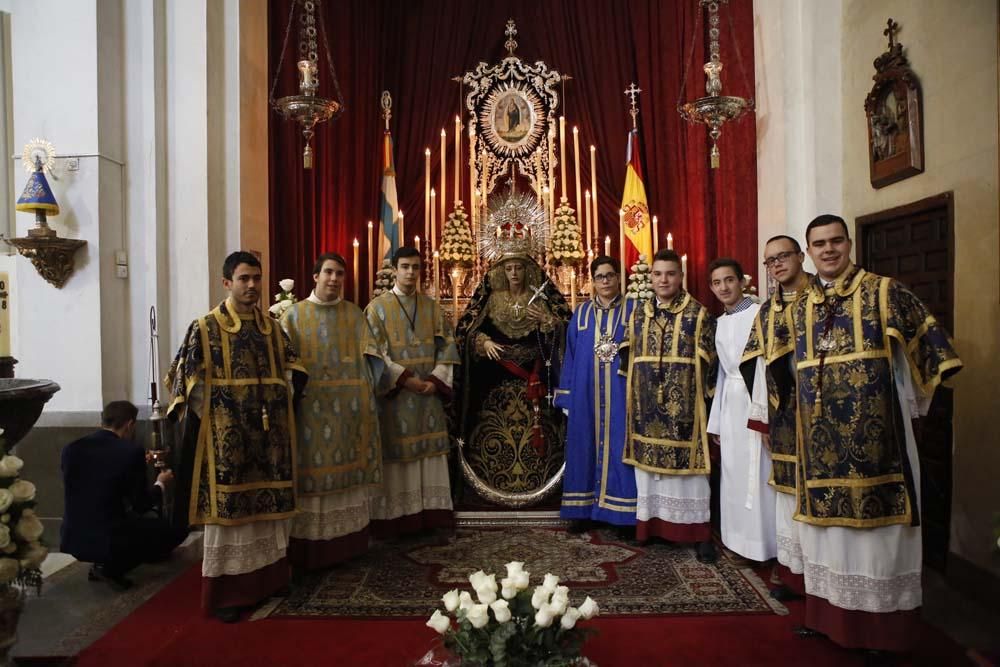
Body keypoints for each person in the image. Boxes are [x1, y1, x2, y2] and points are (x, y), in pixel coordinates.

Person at [788, 215, 962, 655]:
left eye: (835, 242)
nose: (828, 250)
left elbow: (932, 352)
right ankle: (826, 615)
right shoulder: (800, 307)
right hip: (819, 447)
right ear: (808, 252)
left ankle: (884, 633)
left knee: (878, 538)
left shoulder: (885, 292)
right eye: (819, 244)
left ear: (849, 244)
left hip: (878, 444)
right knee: (826, 536)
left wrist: (908, 406)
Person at [167, 251, 307, 622]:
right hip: (227, 441)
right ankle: (228, 594)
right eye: (244, 279)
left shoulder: (273, 328)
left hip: (270, 437)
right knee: (232, 517)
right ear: (226, 282)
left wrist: (279, 402)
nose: (252, 286)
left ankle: (270, 581)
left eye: (256, 278)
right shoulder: (205, 327)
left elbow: (294, 371)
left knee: (268, 514)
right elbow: (187, 382)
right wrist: (223, 419)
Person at [280, 253, 382, 570]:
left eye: (339, 273)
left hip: (349, 417)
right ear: (315, 276)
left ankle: (347, 546)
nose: (334, 279)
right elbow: (285, 367)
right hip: (310, 414)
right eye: (328, 272)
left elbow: (374, 360)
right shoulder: (293, 317)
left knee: (348, 479)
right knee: (312, 482)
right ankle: (309, 550)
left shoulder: (354, 315)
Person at [620, 249, 718, 563]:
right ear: (651, 278)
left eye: (671, 274)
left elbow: (712, 364)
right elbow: (625, 355)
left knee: (689, 475)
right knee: (649, 474)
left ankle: (698, 534)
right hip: (645, 408)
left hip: (685, 410)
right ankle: (651, 529)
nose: (664, 280)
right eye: (658, 274)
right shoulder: (638, 313)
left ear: (681, 276)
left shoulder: (699, 313)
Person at [454, 252, 570, 500]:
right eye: (509, 269)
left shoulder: (539, 297)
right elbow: (468, 329)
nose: (514, 273)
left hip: (535, 374)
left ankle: (541, 480)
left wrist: (549, 321)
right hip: (497, 375)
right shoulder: (493, 299)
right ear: (501, 272)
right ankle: (493, 480)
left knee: (539, 427)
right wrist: (482, 342)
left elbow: (564, 329)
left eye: (519, 267)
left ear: (527, 270)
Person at [364, 247, 459, 537]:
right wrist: (405, 379)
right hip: (398, 397)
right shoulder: (376, 308)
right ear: (394, 269)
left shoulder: (431, 307)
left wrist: (435, 379)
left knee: (428, 455)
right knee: (399, 458)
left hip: (428, 397)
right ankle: (397, 521)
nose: (410, 273)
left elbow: (448, 346)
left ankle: (429, 517)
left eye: (416, 267)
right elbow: (374, 352)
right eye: (405, 266)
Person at [741, 235, 812, 600]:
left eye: (783, 256)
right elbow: (759, 369)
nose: (777, 264)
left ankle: (819, 577)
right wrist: (761, 419)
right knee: (787, 495)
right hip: (784, 416)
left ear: (802, 256)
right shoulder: (767, 312)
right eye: (770, 261)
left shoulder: (825, 300)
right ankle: (792, 570)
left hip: (822, 414)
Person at [60, 401, 186, 591]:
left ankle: (102, 563)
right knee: (174, 530)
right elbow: (141, 505)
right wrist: (160, 483)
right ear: (130, 425)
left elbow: (95, 483)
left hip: (72, 537)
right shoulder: (130, 452)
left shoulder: (71, 448)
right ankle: (111, 567)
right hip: (111, 539)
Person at [555, 256, 636, 529]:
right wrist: (567, 396)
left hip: (621, 396)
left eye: (610, 275)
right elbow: (571, 355)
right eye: (600, 276)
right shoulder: (581, 314)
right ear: (592, 281)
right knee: (583, 448)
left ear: (618, 278)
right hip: (586, 397)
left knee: (620, 450)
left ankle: (622, 514)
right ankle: (582, 512)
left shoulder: (634, 310)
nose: (605, 281)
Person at [706, 258, 777, 563]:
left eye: (729, 280)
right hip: (731, 404)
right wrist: (717, 422)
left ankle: (764, 546)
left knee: (759, 473)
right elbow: (722, 374)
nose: (724, 287)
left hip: (756, 400)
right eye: (717, 282)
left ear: (742, 281)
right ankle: (736, 542)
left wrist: (766, 414)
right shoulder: (719, 323)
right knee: (734, 473)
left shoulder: (761, 313)